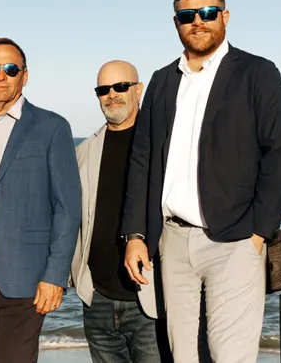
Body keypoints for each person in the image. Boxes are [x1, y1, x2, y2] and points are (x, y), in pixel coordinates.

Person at [123, 0, 281, 363]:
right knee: (183, 356)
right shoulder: (162, 81)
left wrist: (259, 231)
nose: (198, 21)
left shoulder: (257, 73)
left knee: (229, 356)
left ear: (225, 16)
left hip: (235, 242)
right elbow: (142, 161)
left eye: (207, 12)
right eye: (187, 15)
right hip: (171, 242)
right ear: (176, 22)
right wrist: (135, 234)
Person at [0, 37, 82, 363]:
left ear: (24, 76)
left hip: (27, 279)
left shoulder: (51, 127)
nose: (1, 76)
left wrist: (55, 276)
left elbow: (67, 208)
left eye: (10, 69)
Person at [72, 60, 167, 363]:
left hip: (150, 298)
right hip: (97, 299)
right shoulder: (84, 151)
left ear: (138, 90)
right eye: (103, 90)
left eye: (120, 86)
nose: (111, 94)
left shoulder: (163, 145)